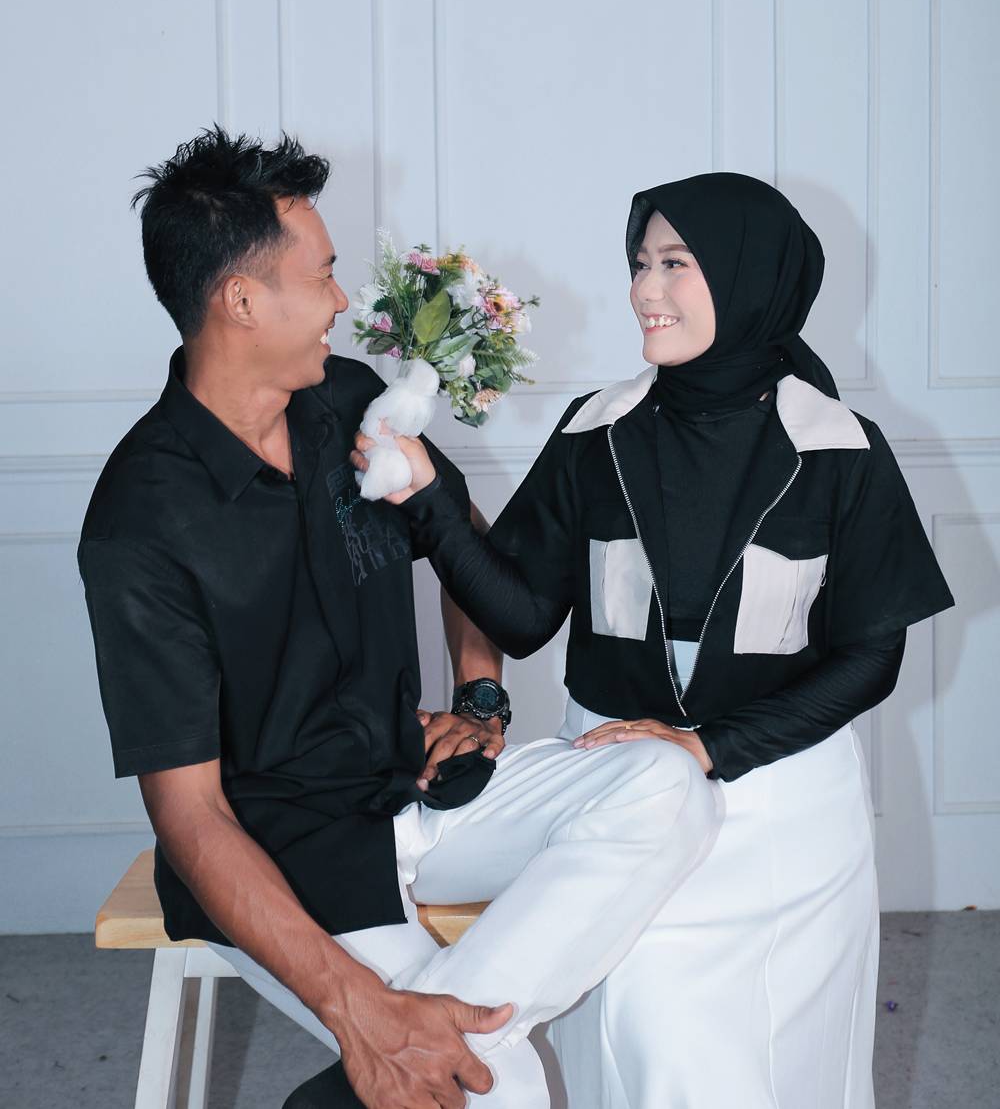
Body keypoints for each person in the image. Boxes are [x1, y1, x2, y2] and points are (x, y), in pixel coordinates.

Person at [78, 129, 720, 1109]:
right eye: (322, 276)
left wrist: (480, 696)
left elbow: (460, 541)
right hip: (290, 852)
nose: (342, 301)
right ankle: (402, 1052)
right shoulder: (141, 523)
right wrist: (356, 1006)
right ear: (242, 301)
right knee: (492, 1086)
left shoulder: (348, 401)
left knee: (665, 782)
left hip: (417, 783)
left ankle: (380, 1065)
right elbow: (191, 816)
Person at [367, 172, 954, 1108]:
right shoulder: (595, 433)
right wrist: (430, 501)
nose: (645, 289)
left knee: (766, 1072)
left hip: (781, 816)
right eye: (640, 262)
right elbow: (521, 616)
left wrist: (708, 746)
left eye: (677, 264)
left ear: (749, 276)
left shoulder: (844, 450)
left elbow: (871, 659)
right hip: (622, 803)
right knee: (647, 1043)